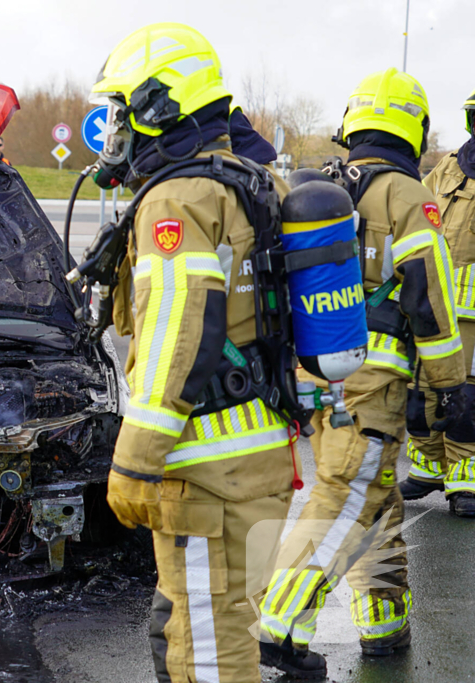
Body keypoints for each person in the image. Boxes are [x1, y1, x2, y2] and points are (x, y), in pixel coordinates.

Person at [94, 23, 297, 683]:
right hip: (258, 458)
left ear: (162, 106)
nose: (113, 127)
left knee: (208, 650)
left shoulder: (177, 198)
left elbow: (175, 337)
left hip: (207, 471)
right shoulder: (254, 179)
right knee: (213, 622)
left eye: (122, 109)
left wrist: (133, 461)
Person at [259, 67, 466, 673]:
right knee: (349, 498)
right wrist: (451, 384)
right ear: (414, 128)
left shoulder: (322, 185)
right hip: (369, 384)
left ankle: (384, 622)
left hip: (315, 378)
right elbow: (430, 296)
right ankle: (277, 625)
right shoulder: (407, 194)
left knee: (374, 497)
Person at [398, 87, 475, 517]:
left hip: (472, 315)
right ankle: (428, 467)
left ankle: (466, 481)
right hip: (432, 299)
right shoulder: (448, 167)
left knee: (464, 396)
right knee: (423, 388)